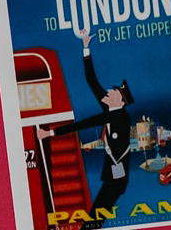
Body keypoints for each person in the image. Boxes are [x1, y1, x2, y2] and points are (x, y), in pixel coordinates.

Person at [37, 28, 135, 216]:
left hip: (118, 177)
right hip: (112, 175)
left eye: (112, 92)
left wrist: (49, 133)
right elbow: (91, 80)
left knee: (94, 219)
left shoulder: (120, 116)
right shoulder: (110, 109)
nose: (107, 91)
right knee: (95, 218)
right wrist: (85, 46)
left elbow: (83, 123)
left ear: (120, 101)